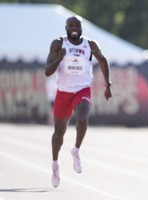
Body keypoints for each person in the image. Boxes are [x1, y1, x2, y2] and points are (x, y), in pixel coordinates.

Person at [45, 16, 112, 188]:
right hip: (63, 92)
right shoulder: (58, 44)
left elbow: (103, 60)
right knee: (59, 133)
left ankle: (76, 150)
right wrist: (59, 58)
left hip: (82, 89)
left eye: (77, 25)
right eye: (71, 25)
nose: (74, 28)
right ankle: (55, 164)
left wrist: (108, 85)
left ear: (81, 28)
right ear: (66, 28)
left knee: (83, 116)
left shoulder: (90, 45)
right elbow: (47, 71)